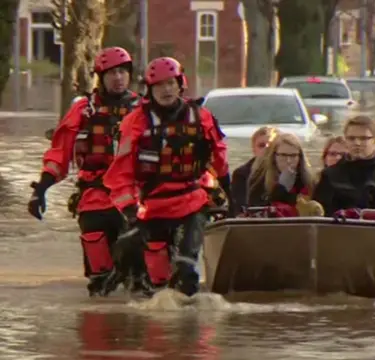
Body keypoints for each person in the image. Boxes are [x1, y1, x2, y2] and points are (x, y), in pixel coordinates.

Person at [102, 56, 230, 297]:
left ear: (181, 84)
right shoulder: (135, 122)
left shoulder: (201, 117)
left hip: (192, 201)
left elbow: (220, 159)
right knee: (151, 276)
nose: (166, 90)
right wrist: (129, 210)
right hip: (153, 205)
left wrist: (229, 192)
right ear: (150, 90)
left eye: (171, 83)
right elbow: (121, 172)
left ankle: (187, 325)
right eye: (159, 85)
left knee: (186, 269)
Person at [27, 46, 142, 296]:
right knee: (100, 273)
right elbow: (60, 153)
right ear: (101, 77)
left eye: (123, 71)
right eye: (112, 73)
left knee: (140, 273)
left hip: (134, 197)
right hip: (94, 196)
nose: (118, 77)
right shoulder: (83, 111)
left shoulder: (144, 110)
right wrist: (42, 188)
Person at [313, 116, 375, 221]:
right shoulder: (330, 175)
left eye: (363, 138)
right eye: (351, 138)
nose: (357, 143)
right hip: (339, 232)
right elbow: (320, 214)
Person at [245, 133, 319, 217]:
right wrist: (281, 188)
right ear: (274, 156)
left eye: (293, 156)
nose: (288, 160)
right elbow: (256, 209)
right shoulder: (259, 178)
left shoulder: (308, 180)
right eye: (283, 155)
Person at [230, 126, 279, 216]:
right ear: (254, 149)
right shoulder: (241, 174)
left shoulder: (286, 172)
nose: (266, 148)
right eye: (261, 145)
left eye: (271, 145)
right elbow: (240, 207)